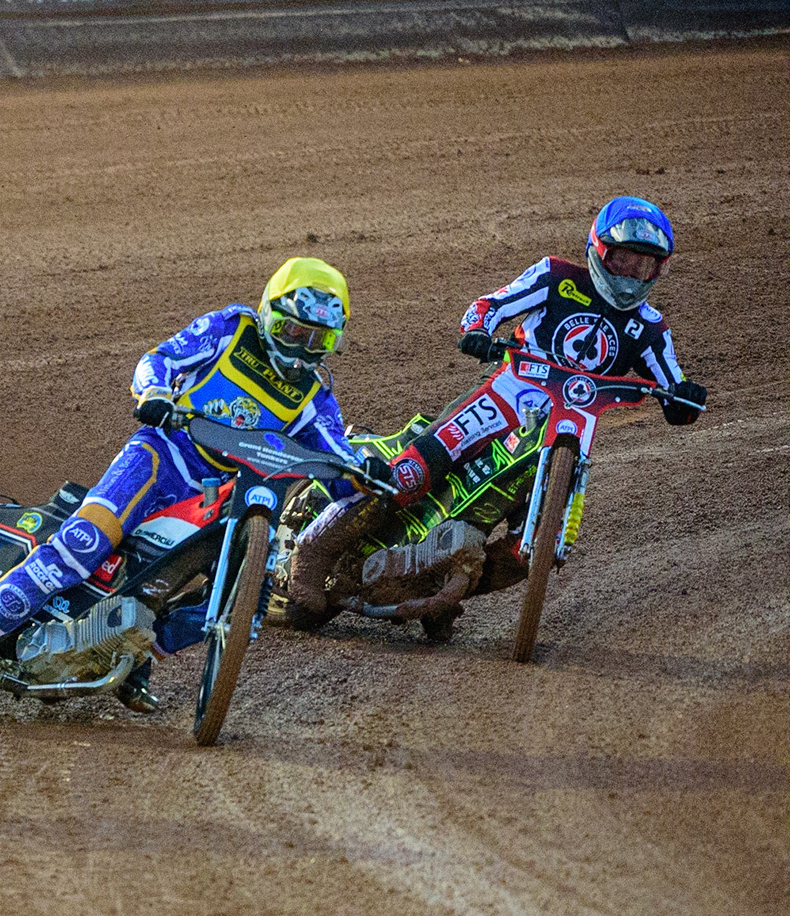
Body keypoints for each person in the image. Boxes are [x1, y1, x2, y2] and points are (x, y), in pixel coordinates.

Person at [0, 257, 392, 707]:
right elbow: (161, 358)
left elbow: (337, 460)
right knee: (85, 544)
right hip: (161, 454)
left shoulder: (316, 398)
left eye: (317, 340)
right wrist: (153, 393)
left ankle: (132, 656)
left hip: (217, 494)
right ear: (270, 315)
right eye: (293, 332)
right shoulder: (230, 329)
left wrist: (367, 473)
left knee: (241, 605)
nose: (300, 349)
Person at [288, 197, 708, 614]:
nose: (633, 276)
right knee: (413, 471)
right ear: (599, 251)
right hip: (508, 394)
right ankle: (310, 556)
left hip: (575, 426)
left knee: (540, 548)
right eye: (624, 261)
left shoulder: (650, 328)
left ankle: (434, 586)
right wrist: (478, 330)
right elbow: (490, 305)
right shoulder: (555, 276)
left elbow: (674, 384)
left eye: (646, 265)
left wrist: (686, 399)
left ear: (660, 269)